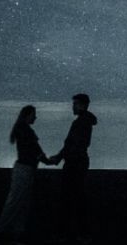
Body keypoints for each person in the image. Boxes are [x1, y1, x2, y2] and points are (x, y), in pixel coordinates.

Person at [0, 105, 54, 245]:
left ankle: (12, 234)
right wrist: (49, 161)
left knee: (21, 203)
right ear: (27, 115)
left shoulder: (22, 129)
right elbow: (35, 150)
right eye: (33, 114)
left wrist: (45, 159)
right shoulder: (25, 130)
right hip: (24, 170)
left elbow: (34, 150)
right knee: (16, 202)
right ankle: (1, 234)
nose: (35, 117)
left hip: (25, 169)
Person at [48, 93, 97, 244]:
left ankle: (65, 234)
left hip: (75, 163)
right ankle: (80, 234)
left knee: (68, 198)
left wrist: (60, 157)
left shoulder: (80, 123)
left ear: (82, 105)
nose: (72, 106)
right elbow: (72, 144)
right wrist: (61, 156)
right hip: (78, 162)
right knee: (77, 198)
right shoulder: (85, 122)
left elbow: (72, 144)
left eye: (75, 104)